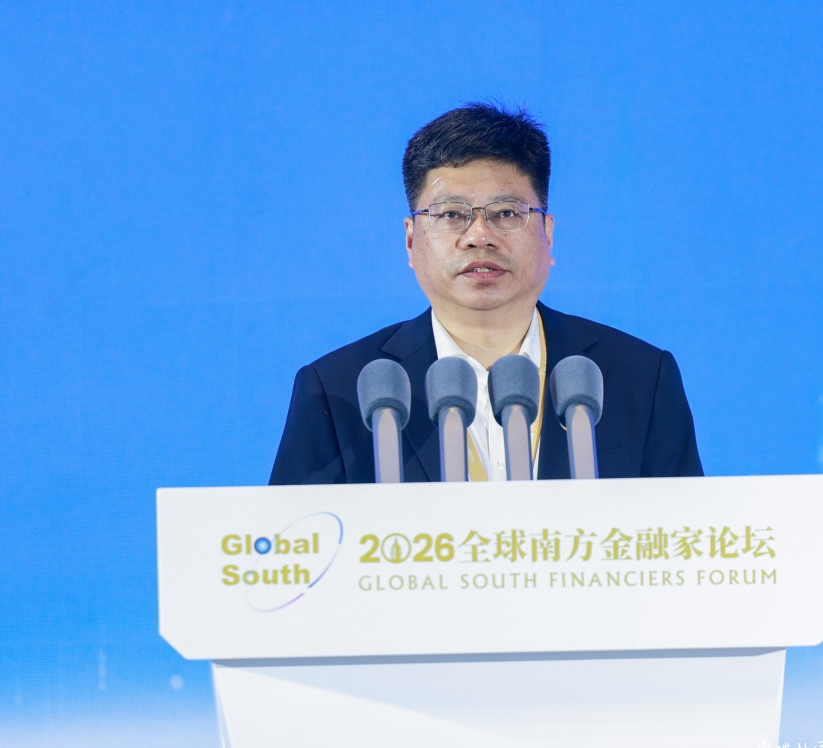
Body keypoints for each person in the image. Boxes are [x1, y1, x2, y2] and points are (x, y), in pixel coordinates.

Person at [270, 103, 702, 484]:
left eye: (507, 213)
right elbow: (298, 542)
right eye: (451, 214)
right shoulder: (339, 390)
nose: (479, 235)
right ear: (410, 239)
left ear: (548, 233)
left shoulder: (639, 378)